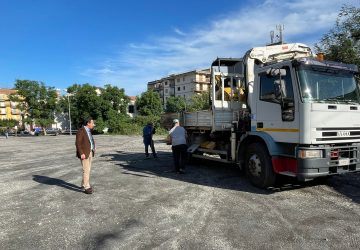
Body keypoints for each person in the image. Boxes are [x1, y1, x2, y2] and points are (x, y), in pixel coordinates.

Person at [75, 118, 96, 194]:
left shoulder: (88, 131)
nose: (94, 124)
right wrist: (81, 153)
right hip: (84, 153)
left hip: (90, 152)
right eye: (92, 123)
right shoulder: (81, 131)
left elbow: (89, 141)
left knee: (88, 170)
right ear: (88, 123)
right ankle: (86, 187)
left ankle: (83, 184)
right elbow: (78, 143)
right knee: (86, 170)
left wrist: (93, 147)